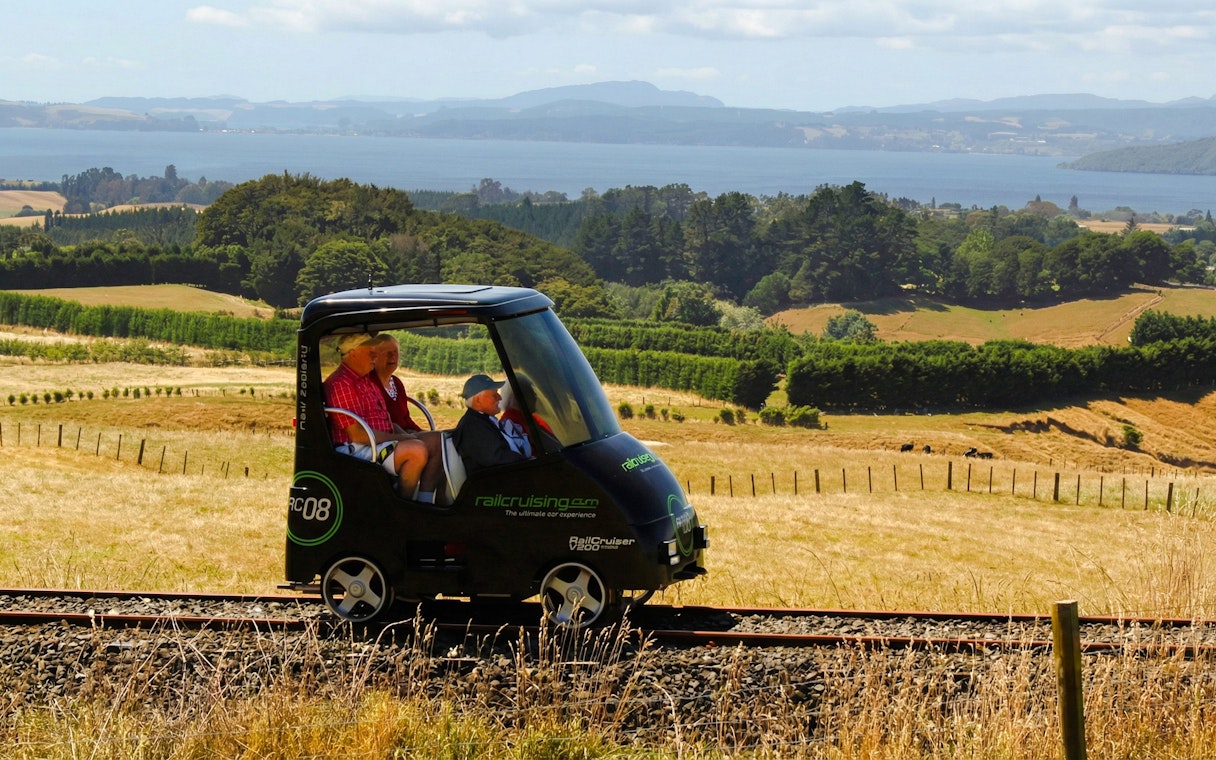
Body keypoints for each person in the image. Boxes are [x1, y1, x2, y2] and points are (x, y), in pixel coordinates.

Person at [323, 332, 432, 501]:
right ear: (353, 353)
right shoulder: (341, 384)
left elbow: (385, 420)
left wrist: (410, 435)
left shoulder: (365, 380)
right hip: (356, 450)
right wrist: (402, 438)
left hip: (377, 443)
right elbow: (358, 435)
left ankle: (427, 500)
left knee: (436, 441)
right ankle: (401, 506)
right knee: (416, 450)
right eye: (370, 352)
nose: (375, 357)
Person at [367, 333, 446, 502]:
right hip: (388, 438)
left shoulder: (397, 382)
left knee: (443, 440)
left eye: (395, 352)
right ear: (374, 356)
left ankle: (427, 499)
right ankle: (411, 501)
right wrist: (409, 435)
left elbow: (406, 418)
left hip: (404, 433)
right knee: (437, 440)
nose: (392, 357)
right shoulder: (370, 382)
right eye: (387, 352)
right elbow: (384, 421)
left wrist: (420, 432)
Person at [452, 373, 526, 475]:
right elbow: (494, 458)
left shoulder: (481, 420)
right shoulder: (474, 426)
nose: (499, 398)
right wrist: (526, 461)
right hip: (492, 483)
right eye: (494, 395)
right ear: (478, 400)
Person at [498, 373, 554, 457]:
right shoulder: (510, 424)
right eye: (531, 392)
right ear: (520, 396)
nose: (535, 397)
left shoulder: (532, 419)